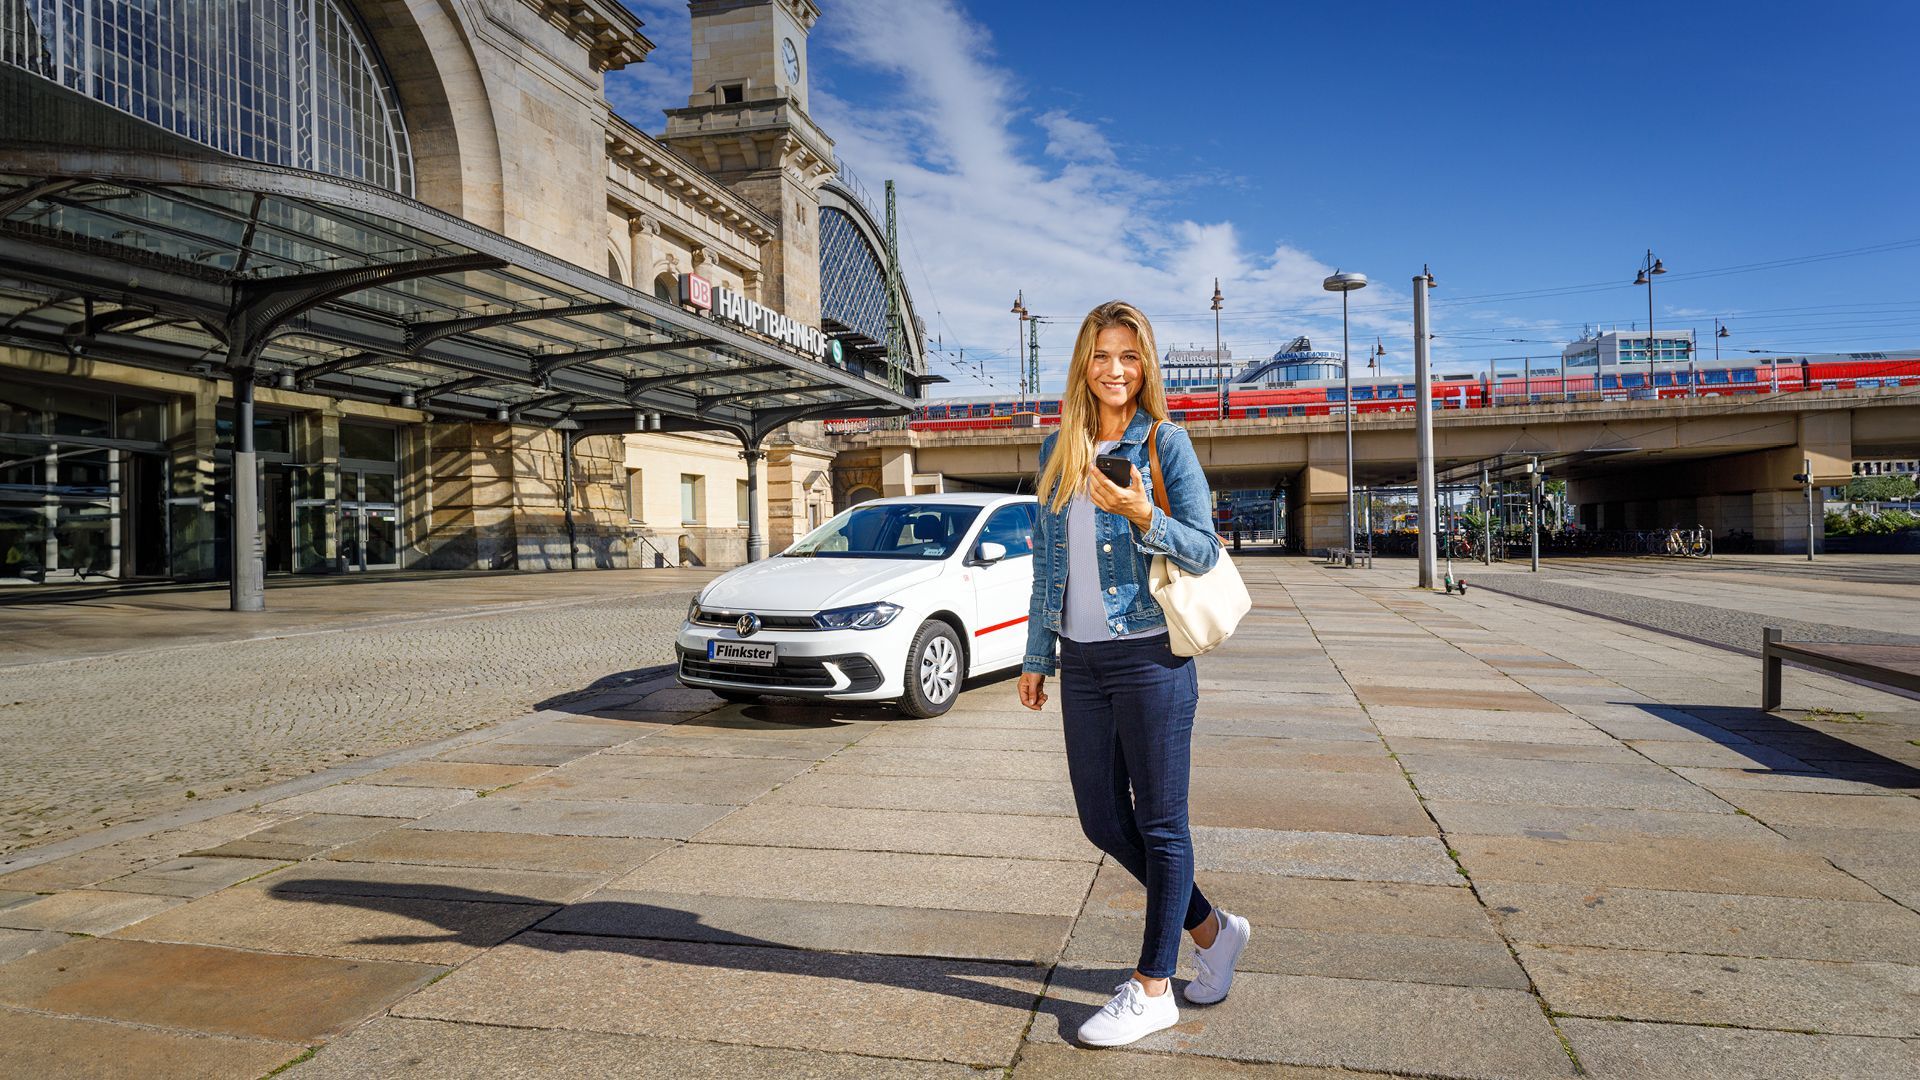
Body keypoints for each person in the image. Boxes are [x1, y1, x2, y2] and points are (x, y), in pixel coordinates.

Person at [1017, 300, 1250, 1047]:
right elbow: (1047, 565)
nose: (1115, 370)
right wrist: (1036, 655)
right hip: (1081, 659)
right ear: (1082, 363)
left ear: (1144, 366)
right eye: (1101, 355)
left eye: (1129, 356)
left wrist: (1142, 513)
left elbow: (1205, 550)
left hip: (1150, 654)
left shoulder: (1165, 443)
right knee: (1100, 819)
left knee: (1159, 822)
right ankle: (1214, 932)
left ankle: (1154, 986)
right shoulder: (1060, 447)